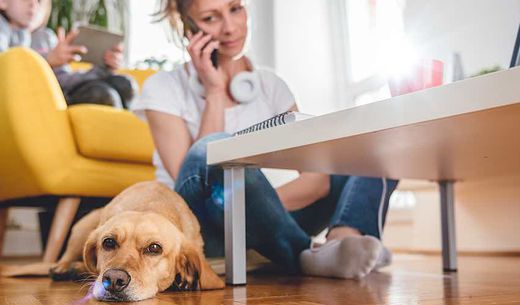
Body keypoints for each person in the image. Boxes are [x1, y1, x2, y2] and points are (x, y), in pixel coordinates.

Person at [132, 0, 398, 279]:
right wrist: (214, 92)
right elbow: (191, 186)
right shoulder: (162, 88)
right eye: (211, 18)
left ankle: (342, 240)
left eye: (235, 8)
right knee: (214, 150)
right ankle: (306, 252)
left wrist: (255, 211)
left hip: (261, 224)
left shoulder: (271, 87)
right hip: (201, 228)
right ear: (189, 29)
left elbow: (316, 180)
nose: (230, 27)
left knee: (370, 150)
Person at [0, 0, 137, 108]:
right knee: (103, 94)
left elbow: (65, 81)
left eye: (38, 0)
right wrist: (47, 61)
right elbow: (5, 69)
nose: (33, 4)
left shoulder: (45, 37)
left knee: (125, 84)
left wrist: (103, 69)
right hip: (42, 101)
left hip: (64, 93)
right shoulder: (3, 31)